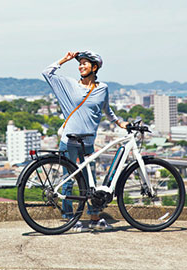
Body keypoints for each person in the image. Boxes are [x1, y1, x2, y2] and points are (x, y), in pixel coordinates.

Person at [42, 50, 127, 231]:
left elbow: (106, 109)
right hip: (70, 140)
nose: (81, 66)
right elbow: (47, 73)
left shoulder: (102, 88)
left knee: (91, 180)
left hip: (88, 141)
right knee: (68, 179)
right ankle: (69, 219)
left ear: (94, 67)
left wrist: (119, 122)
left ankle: (95, 218)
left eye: (85, 63)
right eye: (79, 63)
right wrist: (65, 59)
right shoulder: (70, 85)